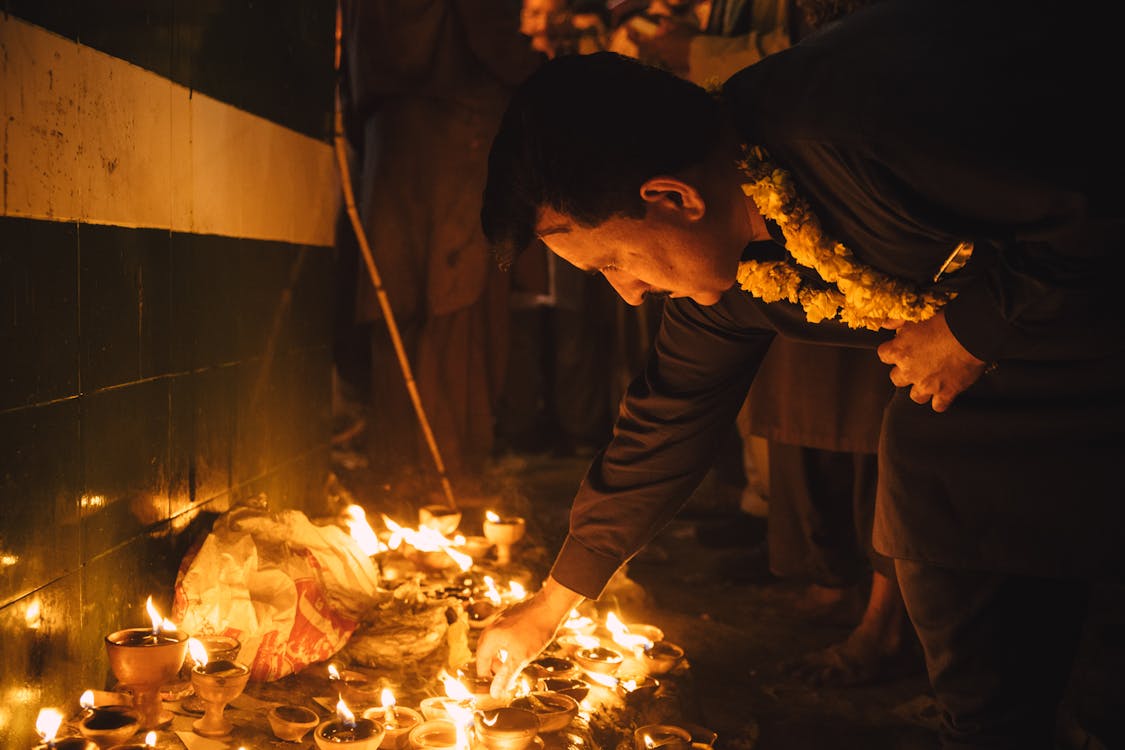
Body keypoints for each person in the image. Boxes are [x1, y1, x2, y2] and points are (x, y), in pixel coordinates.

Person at [473, 2, 1124, 747]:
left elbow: (1098, 200)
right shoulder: (729, 273)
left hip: (1095, 300)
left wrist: (971, 328)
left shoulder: (866, 121)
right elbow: (665, 421)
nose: (625, 292)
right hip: (1017, 364)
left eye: (614, 262)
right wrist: (550, 606)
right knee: (927, 474)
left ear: (672, 198)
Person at [627, 0, 919, 687]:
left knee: (890, 426)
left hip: (840, 211)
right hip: (772, 220)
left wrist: (695, 55)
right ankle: (827, 570)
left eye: (616, 265)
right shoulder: (725, 288)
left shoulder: (850, 140)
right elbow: (668, 404)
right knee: (797, 416)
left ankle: (883, 611)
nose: (627, 290)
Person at [336, 0, 540, 496]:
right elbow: (492, 38)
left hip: (388, 133)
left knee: (399, 297)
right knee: (460, 299)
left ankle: (403, 469)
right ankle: (451, 472)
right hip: (462, 127)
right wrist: (551, 70)